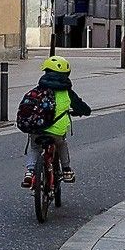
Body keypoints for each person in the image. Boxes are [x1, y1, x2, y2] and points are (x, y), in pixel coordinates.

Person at [22, 55, 92, 188]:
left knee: (35, 147)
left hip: (37, 129)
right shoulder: (67, 93)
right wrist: (84, 111)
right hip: (57, 131)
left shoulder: (37, 91)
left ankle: (30, 172)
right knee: (61, 144)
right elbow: (81, 107)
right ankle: (66, 170)